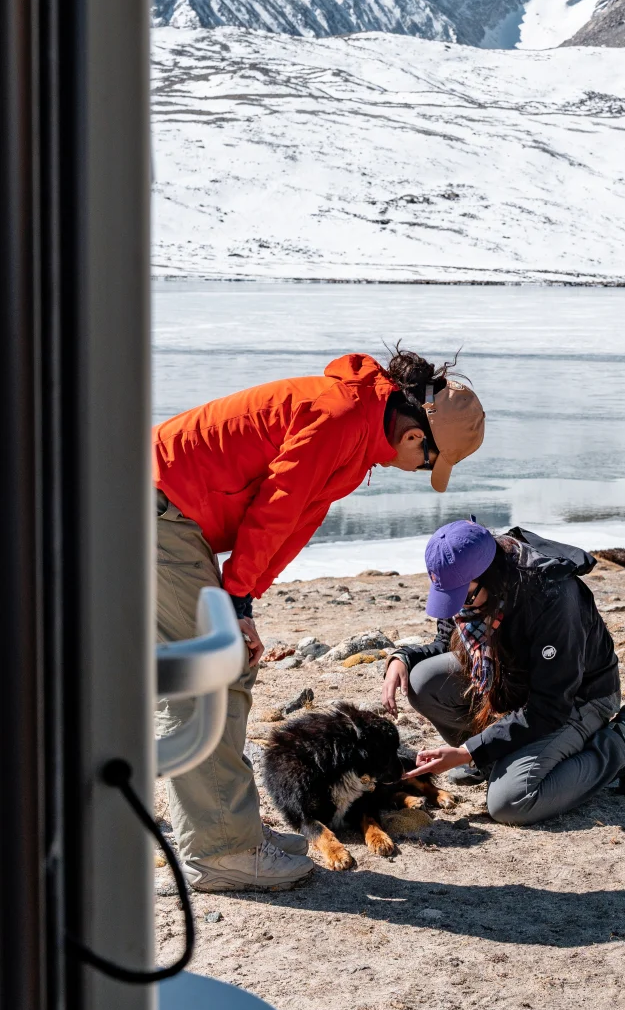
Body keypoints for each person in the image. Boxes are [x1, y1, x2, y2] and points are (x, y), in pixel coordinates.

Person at [155, 349, 484, 892]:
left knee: (225, 669)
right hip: (156, 512)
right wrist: (234, 599)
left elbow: (295, 522)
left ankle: (229, 831)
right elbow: (276, 509)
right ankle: (221, 852)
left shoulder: (357, 431)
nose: (422, 472)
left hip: (167, 513)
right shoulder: (338, 418)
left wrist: (244, 601)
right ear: (413, 436)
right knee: (206, 680)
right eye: (430, 463)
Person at [382, 521, 625, 825]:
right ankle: (497, 760)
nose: (459, 608)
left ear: (491, 575)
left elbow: (550, 706)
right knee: (421, 681)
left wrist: (470, 751)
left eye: (465, 597)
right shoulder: (467, 584)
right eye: (449, 596)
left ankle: (621, 745)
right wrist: (402, 658)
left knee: (511, 803)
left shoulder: (551, 595)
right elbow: (445, 643)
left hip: (579, 697)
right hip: (515, 684)